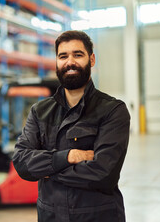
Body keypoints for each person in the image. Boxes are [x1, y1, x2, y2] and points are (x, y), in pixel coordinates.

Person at [12, 30, 130, 222]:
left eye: (78, 55)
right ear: (57, 62)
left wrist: (48, 170)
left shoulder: (113, 110)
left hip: (97, 216)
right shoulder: (39, 111)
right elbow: (21, 162)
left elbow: (103, 174)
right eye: (63, 56)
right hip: (50, 216)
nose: (70, 62)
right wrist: (69, 156)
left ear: (91, 60)